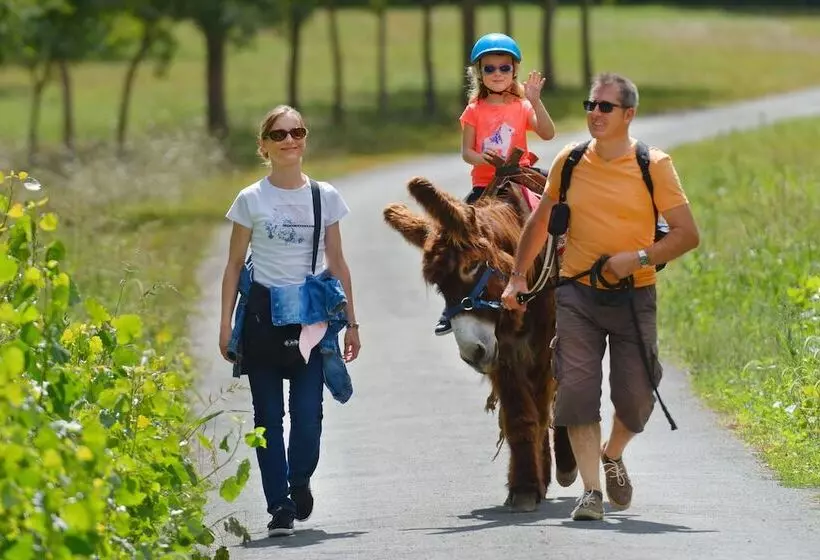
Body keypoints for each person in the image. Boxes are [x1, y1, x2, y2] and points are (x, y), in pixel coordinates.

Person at [501, 72, 700, 521]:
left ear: (628, 114)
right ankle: (591, 491)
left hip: (634, 295)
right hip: (577, 293)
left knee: (637, 396)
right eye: (590, 105)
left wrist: (639, 258)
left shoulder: (653, 165)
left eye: (605, 107)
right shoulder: (570, 161)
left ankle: (612, 454)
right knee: (576, 391)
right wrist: (517, 277)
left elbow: (687, 234)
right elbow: (540, 222)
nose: (595, 113)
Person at [219, 105, 361, 537]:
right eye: (278, 135)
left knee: (308, 417)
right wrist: (225, 327)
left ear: (304, 139)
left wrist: (353, 324)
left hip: (310, 323)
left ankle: (298, 479)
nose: (289, 141)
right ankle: (278, 505)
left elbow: (337, 263)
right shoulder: (250, 200)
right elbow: (232, 267)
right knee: (267, 418)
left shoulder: (324, 196)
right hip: (262, 319)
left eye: (296, 132)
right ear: (264, 145)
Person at [435, 32, 557, 336]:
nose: (498, 74)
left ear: (514, 70)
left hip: (519, 178)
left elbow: (548, 133)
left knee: (553, 212)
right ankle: (451, 306)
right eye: (490, 68)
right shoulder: (473, 110)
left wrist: (536, 101)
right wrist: (485, 160)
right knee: (456, 236)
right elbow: (467, 152)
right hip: (485, 185)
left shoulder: (522, 106)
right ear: (479, 73)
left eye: (504, 67)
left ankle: (562, 277)